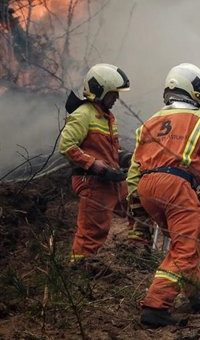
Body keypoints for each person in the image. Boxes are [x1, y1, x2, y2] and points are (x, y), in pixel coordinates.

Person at [127, 63, 200, 328]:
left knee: (185, 243)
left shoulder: (149, 123)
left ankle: (197, 297)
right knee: (185, 247)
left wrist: (135, 202)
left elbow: (134, 167)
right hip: (177, 186)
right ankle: (155, 306)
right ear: (194, 91)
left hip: (147, 188)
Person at [59, 63, 139, 264]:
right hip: (93, 182)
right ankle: (79, 269)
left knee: (138, 207)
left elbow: (109, 150)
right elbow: (66, 146)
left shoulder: (108, 117)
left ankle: (137, 253)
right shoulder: (82, 114)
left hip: (112, 181)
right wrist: (95, 165)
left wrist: (126, 158)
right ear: (99, 91)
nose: (116, 99)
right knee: (93, 232)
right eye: (113, 94)